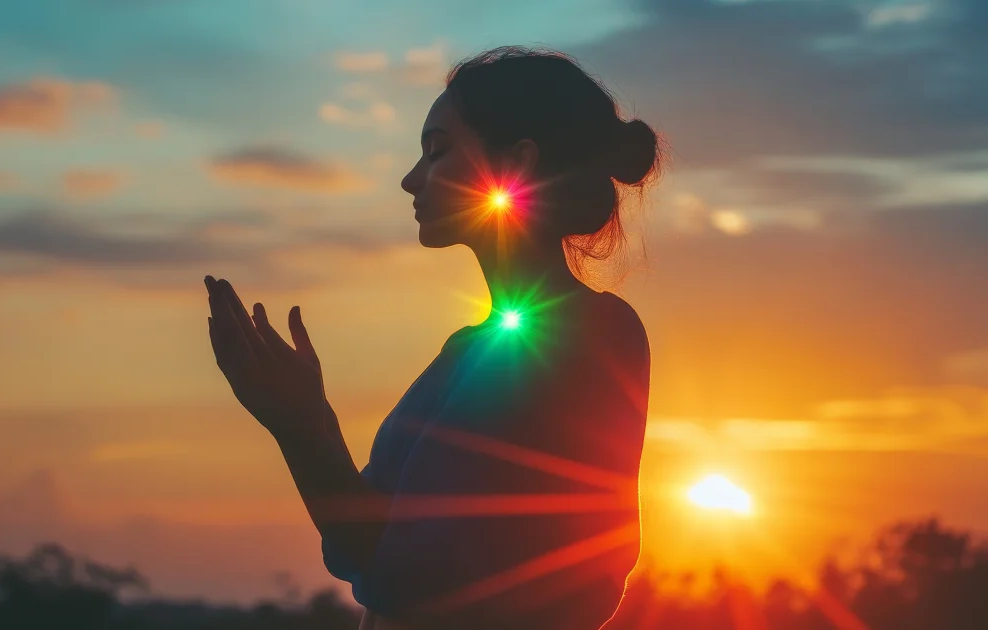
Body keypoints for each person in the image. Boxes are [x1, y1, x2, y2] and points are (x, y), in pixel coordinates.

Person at [205, 45, 661, 630]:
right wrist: (302, 419)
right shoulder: (471, 350)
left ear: (515, 165)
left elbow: (411, 571)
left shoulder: (586, 336)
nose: (410, 179)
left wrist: (301, 425)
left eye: (437, 151)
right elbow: (367, 547)